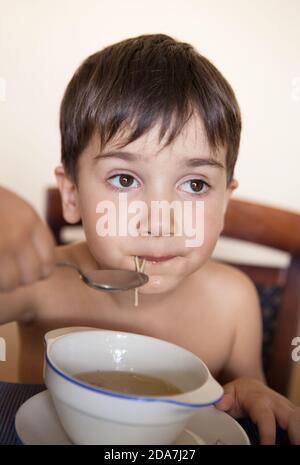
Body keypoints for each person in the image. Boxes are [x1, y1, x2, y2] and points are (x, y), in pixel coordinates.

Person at [0, 34, 299, 444]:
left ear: (225, 204)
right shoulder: (41, 280)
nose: (161, 221)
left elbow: (245, 391)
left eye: (195, 184)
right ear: (72, 195)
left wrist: (250, 392)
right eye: (124, 179)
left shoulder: (234, 301)